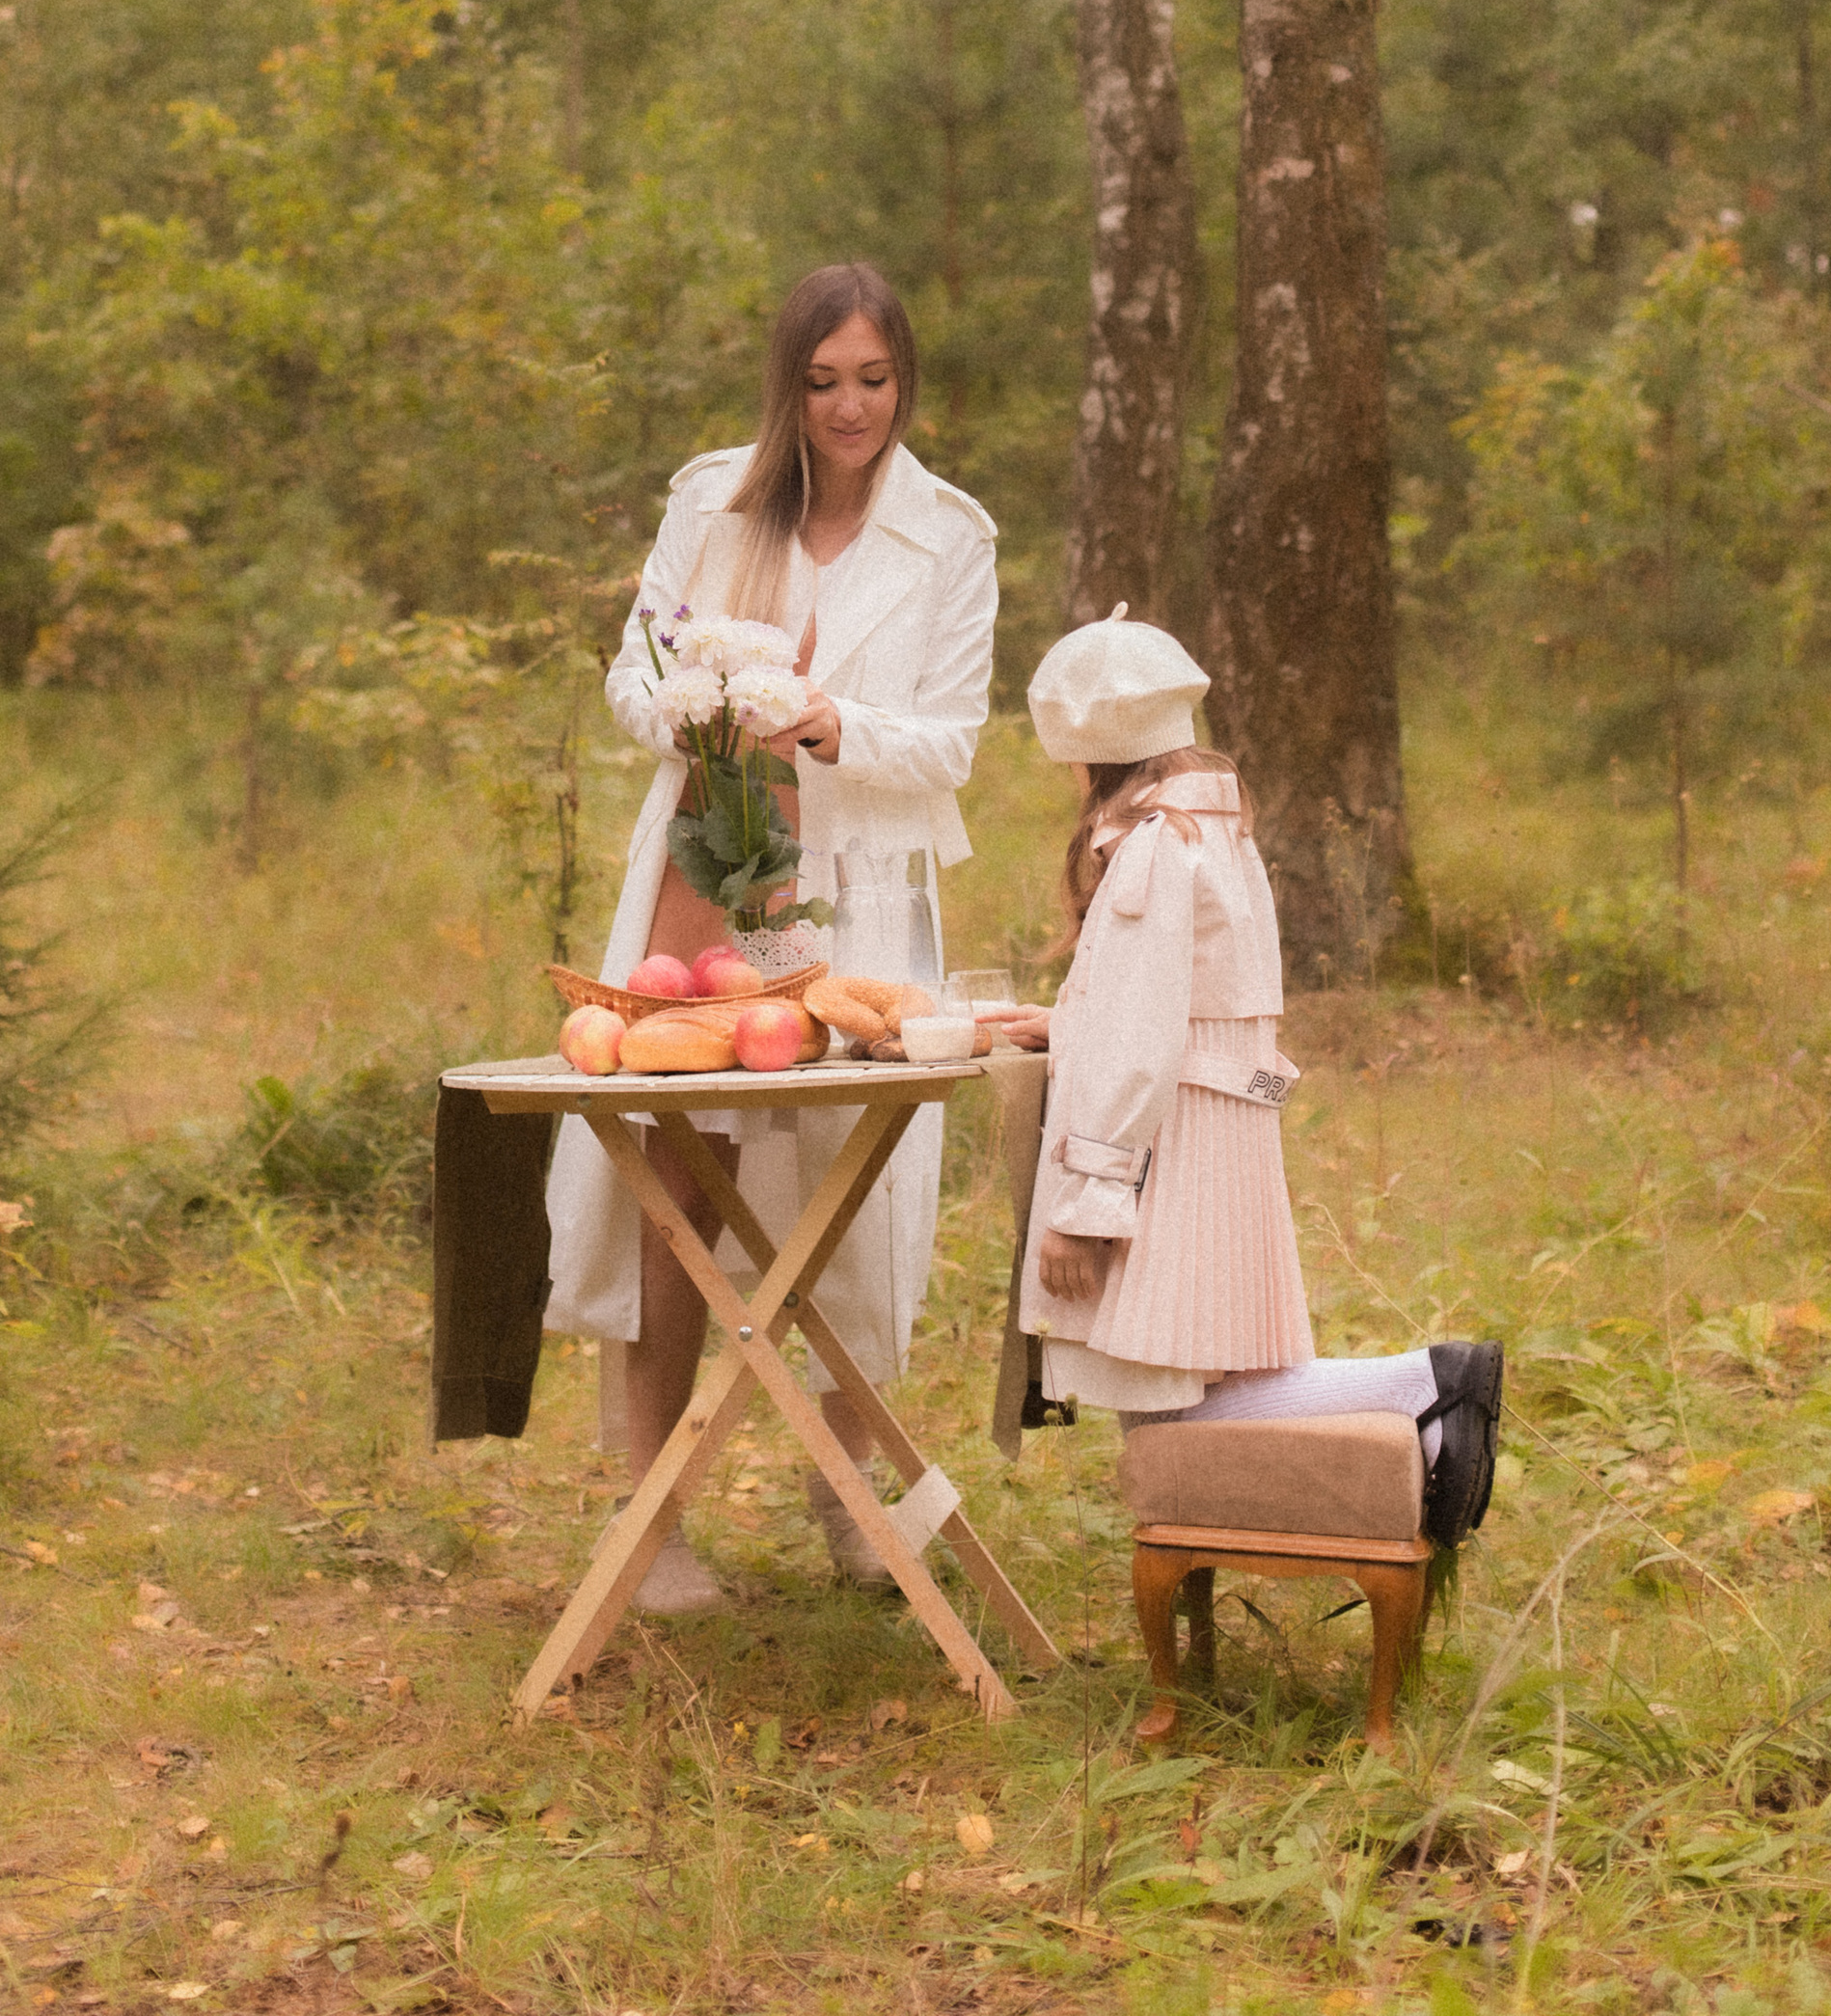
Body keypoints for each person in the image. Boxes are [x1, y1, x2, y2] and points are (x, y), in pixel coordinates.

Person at [544, 260, 997, 1611]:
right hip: (705, 872)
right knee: (679, 1180)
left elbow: (953, 743)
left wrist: (822, 723)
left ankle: (850, 1492)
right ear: (787, 388)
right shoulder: (711, 502)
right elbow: (632, 680)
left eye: (872, 380)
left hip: (856, 890)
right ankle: (649, 1509)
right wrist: (708, 711)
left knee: (846, 1201)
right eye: (822, 383)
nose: (849, 408)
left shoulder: (950, 536)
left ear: (902, 379)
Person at [984, 611, 1503, 1539]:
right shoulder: (1216, 834)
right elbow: (1188, 1008)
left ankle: (1426, 1384)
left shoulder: (1150, 852)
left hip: (1166, 1147)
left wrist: (1086, 1207)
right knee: (1195, 1379)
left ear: (1086, 752)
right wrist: (1069, 1024)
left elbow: (1142, 1042)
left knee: (1171, 1408)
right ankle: (1422, 1403)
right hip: (1215, 1127)